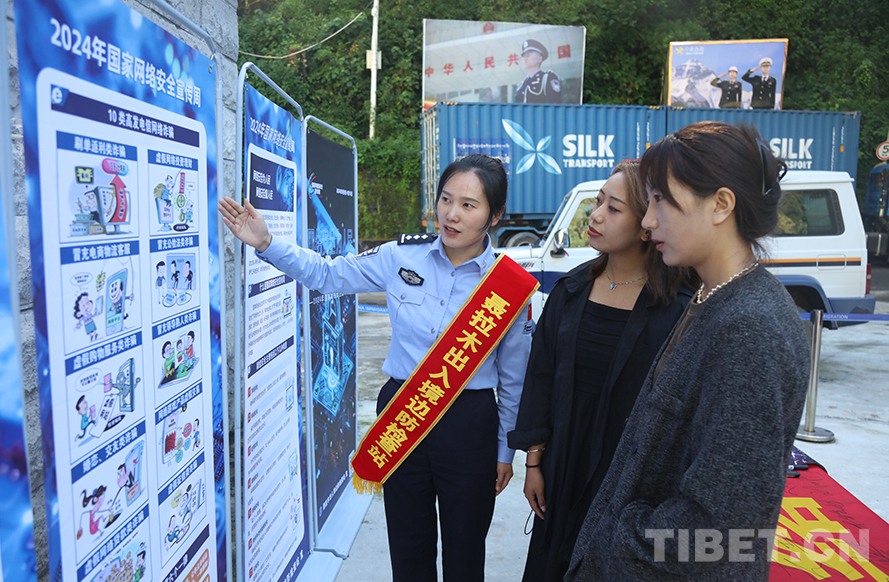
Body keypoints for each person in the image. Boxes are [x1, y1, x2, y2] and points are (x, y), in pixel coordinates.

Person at [219, 154, 530, 582]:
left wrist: (504, 451)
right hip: (403, 410)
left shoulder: (508, 286)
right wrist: (267, 242)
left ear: (494, 216)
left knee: (465, 551)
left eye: (468, 205)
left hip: (469, 424)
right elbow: (327, 275)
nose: (452, 215)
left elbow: (514, 380)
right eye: (445, 199)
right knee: (408, 545)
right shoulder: (401, 256)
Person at [565, 121, 810, 580]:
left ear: (721, 204)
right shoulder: (713, 297)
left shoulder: (750, 327)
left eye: (661, 199)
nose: (648, 220)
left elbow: (720, 526)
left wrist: (622, 537)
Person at [508, 161, 696, 582]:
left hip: (627, 476)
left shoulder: (675, 309)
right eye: (597, 203)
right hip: (563, 463)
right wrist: (534, 464)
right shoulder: (569, 291)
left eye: (613, 208)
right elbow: (540, 379)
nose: (594, 216)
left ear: (647, 224)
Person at [514, 40, 563, 104]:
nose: (525, 59)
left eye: (528, 55)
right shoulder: (521, 85)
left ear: (539, 59)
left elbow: (555, 104)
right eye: (524, 56)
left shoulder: (547, 78)